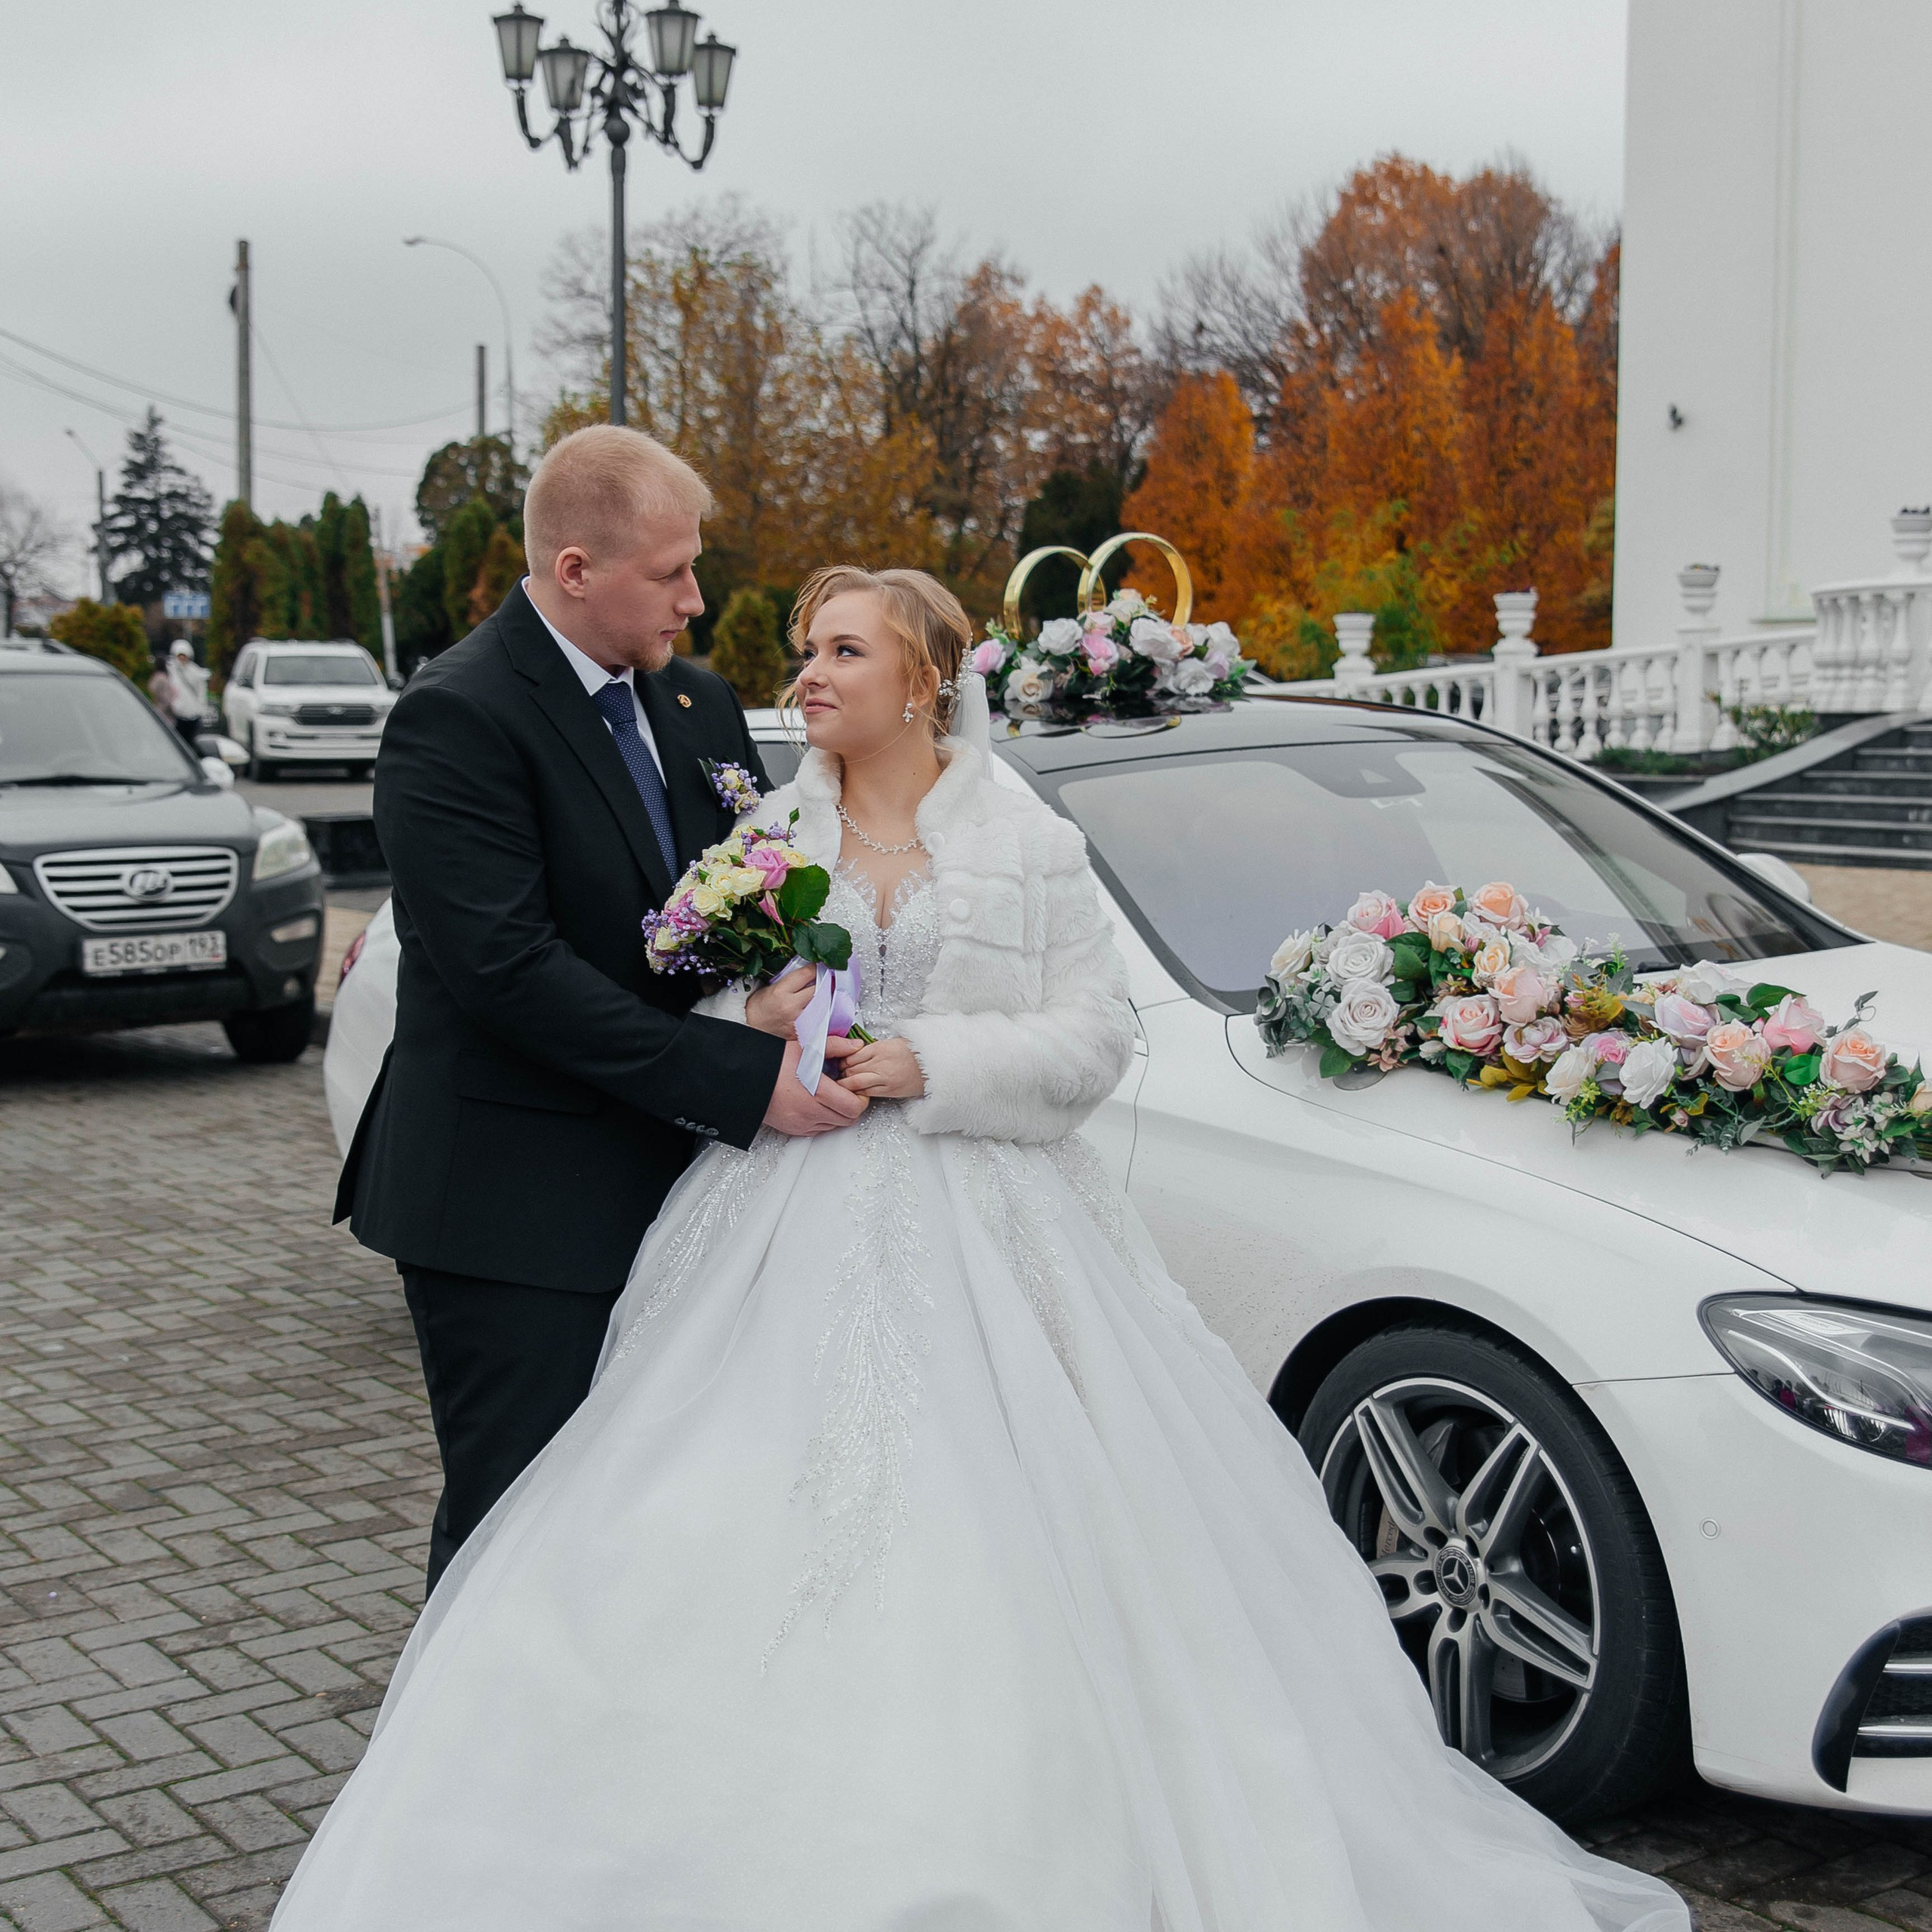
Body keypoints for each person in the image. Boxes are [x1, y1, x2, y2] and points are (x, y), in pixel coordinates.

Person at [277, 564, 1689, 1931]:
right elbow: (685, 1003)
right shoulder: (772, 829)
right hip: (776, 1219)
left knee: (1029, 1550)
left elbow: (1097, 1040)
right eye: (808, 650)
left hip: (998, 1232)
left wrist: (930, 1061)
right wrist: (748, 1033)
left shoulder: (1023, 836)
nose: (805, 674)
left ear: (923, 682)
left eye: (842, 652)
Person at [334, 426, 862, 1595]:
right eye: (671, 573)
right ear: (576, 570)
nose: (697, 597)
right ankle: (473, 1771)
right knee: (521, 1529)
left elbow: (744, 894)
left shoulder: (696, 703)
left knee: (654, 1525)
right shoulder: (457, 715)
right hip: (512, 1207)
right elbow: (508, 973)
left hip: (679, 1190)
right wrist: (739, 1076)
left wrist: (799, 996)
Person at [165, 638, 209, 746]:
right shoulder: (171, 671)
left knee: (190, 739)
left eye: (184, 655)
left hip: (193, 712)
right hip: (177, 713)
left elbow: (201, 691)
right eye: (180, 656)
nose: (182, 658)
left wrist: (201, 708)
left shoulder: (195, 671)